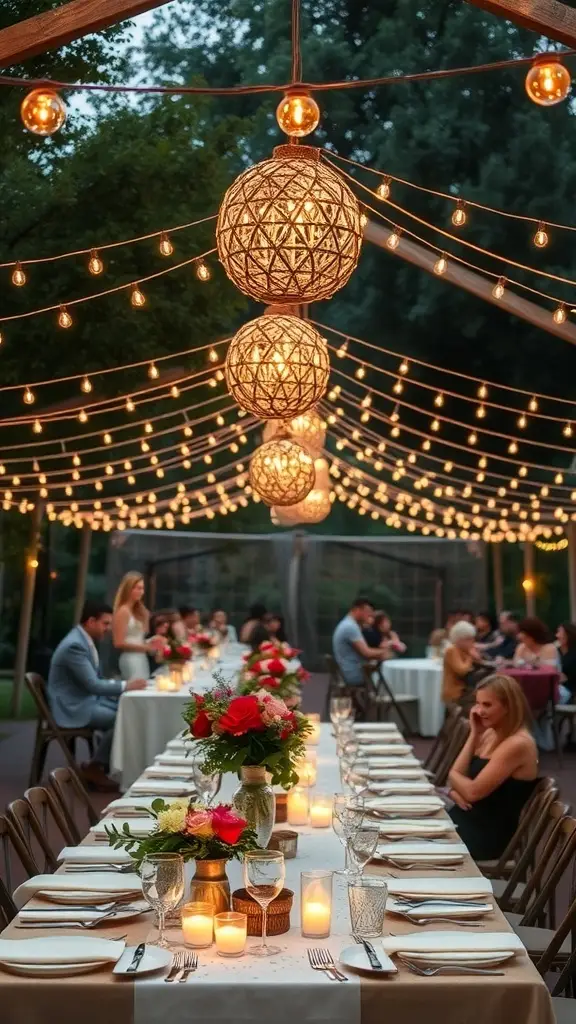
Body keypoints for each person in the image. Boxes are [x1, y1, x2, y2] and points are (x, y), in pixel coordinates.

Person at [48, 601, 147, 791]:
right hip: (73, 707)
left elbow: (95, 679)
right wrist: (126, 685)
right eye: (106, 623)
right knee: (120, 718)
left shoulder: (82, 640)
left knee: (123, 710)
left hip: (85, 700)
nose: (109, 629)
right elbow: (93, 685)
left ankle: (109, 765)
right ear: (91, 621)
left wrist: (118, 686)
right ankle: (95, 766)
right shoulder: (75, 645)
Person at [447, 674, 539, 859]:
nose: (479, 711)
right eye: (478, 703)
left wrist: (458, 784)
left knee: (412, 841)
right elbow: (456, 779)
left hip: (485, 835)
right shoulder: (490, 733)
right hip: (466, 821)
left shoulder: (517, 744)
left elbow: (471, 791)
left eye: (487, 705)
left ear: (509, 707)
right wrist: (474, 734)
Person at [332, 599, 389, 710]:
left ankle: (373, 709)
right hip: (353, 674)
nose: (370, 615)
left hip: (345, 672)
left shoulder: (348, 624)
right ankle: (382, 709)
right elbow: (366, 652)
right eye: (367, 611)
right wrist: (385, 653)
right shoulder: (350, 627)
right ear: (357, 610)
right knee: (383, 676)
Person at [112, 572, 162, 680]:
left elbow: (137, 638)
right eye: (138, 588)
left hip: (141, 657)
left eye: (142, 588)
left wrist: (151, 642)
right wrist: (146, 647)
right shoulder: (123, 611)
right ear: (129, 589)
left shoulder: (137, 611)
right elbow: (118, 642)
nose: (141, 592)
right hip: (130, 658)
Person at [442, 621, 484, 706]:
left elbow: (479, 665)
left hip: (466, 689)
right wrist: (470, 657)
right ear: (458, 639)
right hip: (455, 692)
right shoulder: (452, 650)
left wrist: (478, 658)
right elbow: (462, 670)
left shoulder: (464, 650)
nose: (472, 641)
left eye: (472, 638)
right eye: (468, 639)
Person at [556, 622, 576, 698]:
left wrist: (567, 679)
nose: (557, 635)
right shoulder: (556, 651)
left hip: (570, 691)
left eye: (560, 632)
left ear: (569, 635)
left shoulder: (574, 653)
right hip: (556, 688)